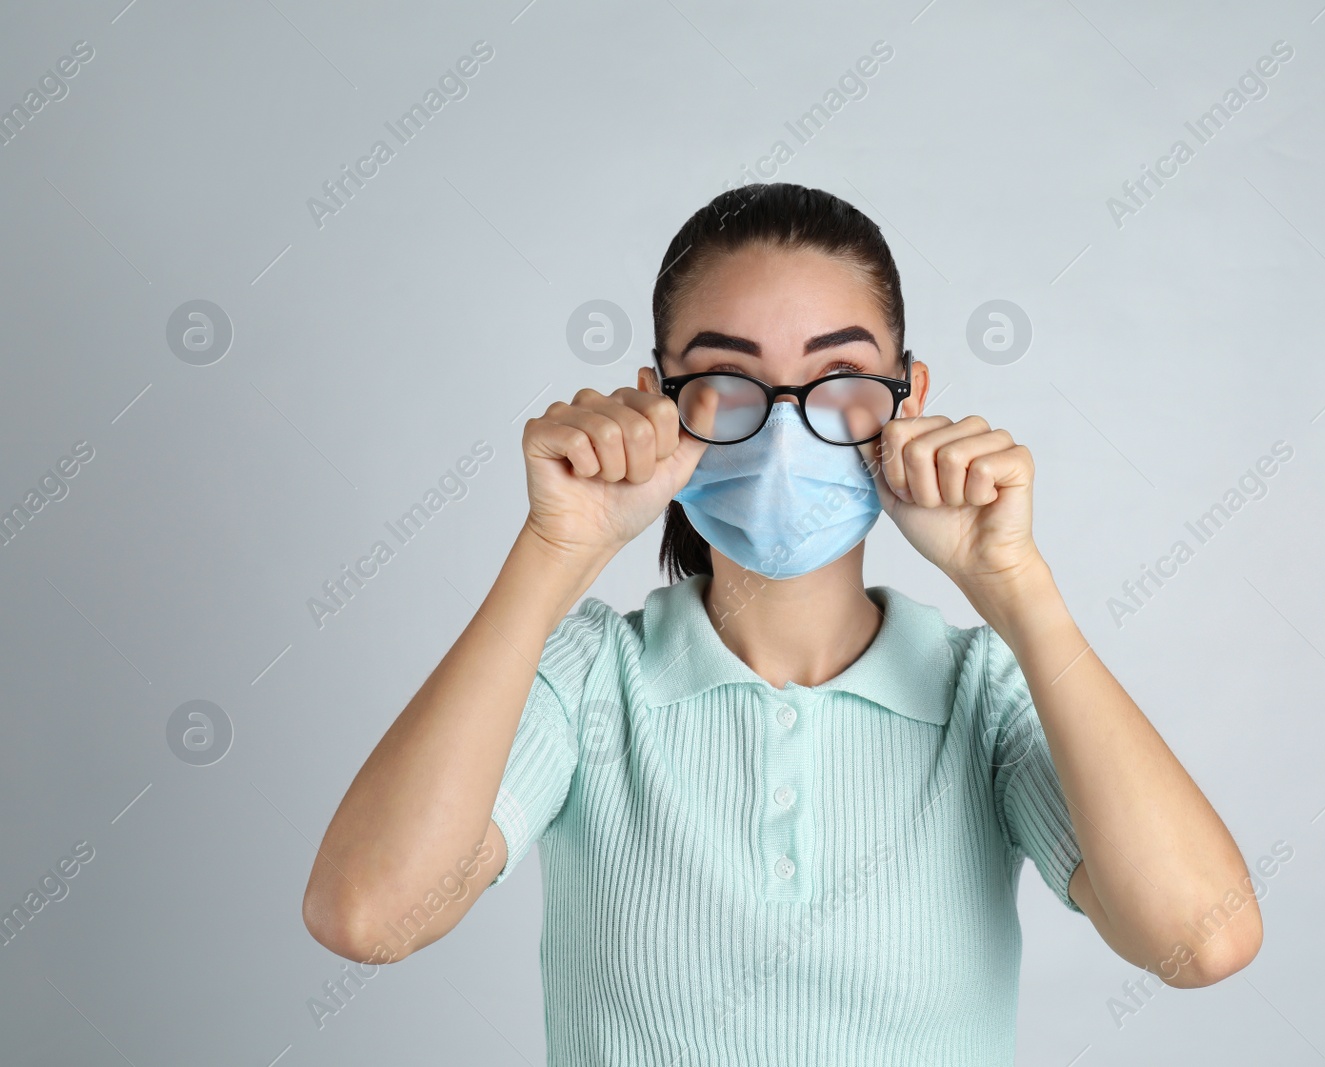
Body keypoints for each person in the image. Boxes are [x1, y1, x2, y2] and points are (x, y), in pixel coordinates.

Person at [302, 182, 1261, 1063]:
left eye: (841, 376)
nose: (789, 426)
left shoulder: (987, 697)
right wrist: (558, 551)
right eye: (729, 378)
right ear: (662, 400)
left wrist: (1015, 585)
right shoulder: (591, 679)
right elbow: (367, 914)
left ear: (910, 398)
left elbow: (1200, 938)